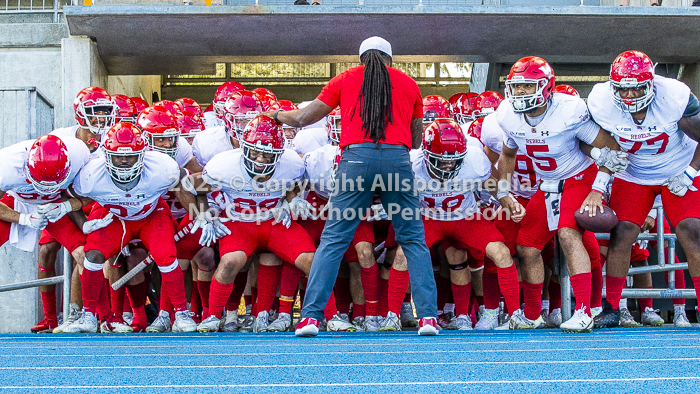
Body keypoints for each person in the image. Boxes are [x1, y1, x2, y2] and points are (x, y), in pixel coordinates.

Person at [262, 36, 439, 337]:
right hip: (397, 160)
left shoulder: (345, 78)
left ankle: (310, 318)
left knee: (333, 240)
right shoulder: (409, 84)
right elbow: (416, 136)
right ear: (390, 60)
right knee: (412, 240)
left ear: (360, 60)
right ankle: (428, 318)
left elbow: (305, 118)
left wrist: (276, 114)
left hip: (355, 159)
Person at [495, 56, 628, 333]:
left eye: (527, 86)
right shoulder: (506, 113)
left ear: (546, 87)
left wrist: (597, 189)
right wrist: (504, 192)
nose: (519, 93)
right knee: (527, 246)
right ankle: (532, 314)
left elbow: (611, 148)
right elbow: (508, 154)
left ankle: (583, 311)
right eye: (516, 86)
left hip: (579, 176)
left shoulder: (569, 110)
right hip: (548, 182)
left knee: (568, 234)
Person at [587, 50, 700, 328]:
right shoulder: (600, 100)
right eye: (623, 89)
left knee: (690, 230)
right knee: (622, 232)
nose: (629, 95)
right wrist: (601, 169)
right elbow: (591, 139)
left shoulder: (674, 96)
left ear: (651, 82)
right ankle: (612, 307)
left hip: (677, 167)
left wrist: (691, 171)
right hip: (635, 172)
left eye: (636, 87)